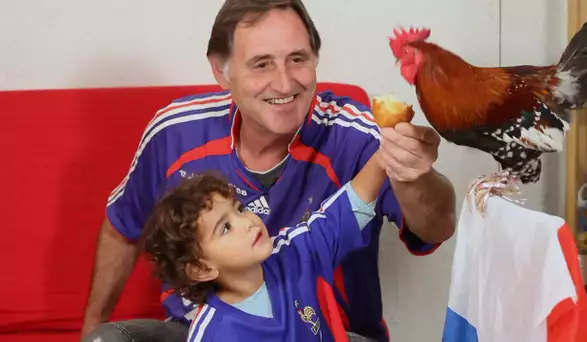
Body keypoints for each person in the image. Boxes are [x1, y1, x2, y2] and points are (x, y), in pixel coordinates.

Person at [81, 0, 457, 341]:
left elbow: (429, 224)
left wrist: (406, 166)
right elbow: (122, 227)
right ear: (221, 71)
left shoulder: (299, 247)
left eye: (297, 58)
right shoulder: (174, 131)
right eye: (262, 63)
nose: (283, 82)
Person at [141, 149, 387, 342]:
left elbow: (350, 206)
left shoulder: (295, 253)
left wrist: (384, 155)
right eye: (225, 228)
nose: (247, 222)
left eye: (239, 209)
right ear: (201, 269)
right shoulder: (214, 334)